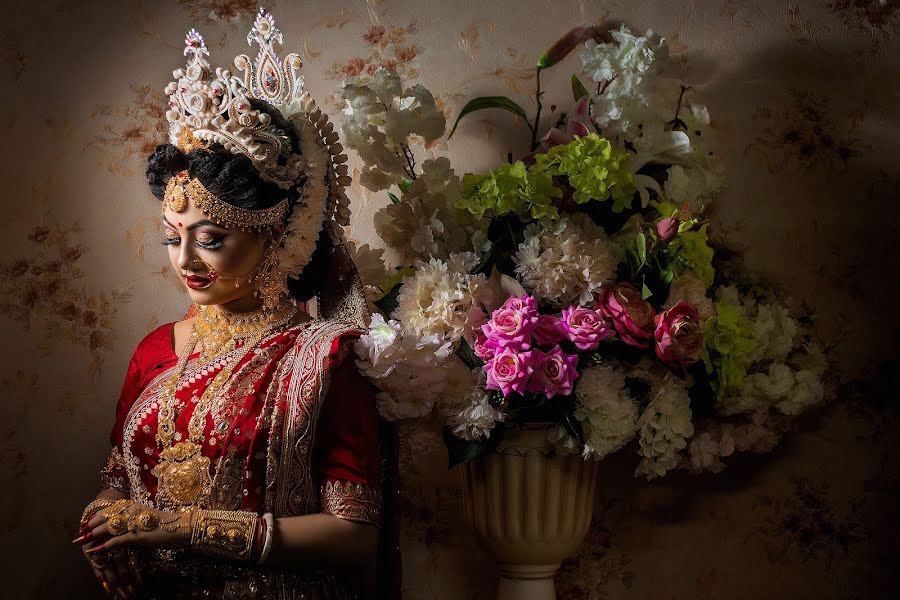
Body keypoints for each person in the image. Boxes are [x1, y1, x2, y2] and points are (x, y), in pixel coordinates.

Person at [74, 9, 399, 599]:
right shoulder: (154, 349)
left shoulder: (324, 358)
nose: (185, 261)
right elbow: (118, 481)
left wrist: (186, 528)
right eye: (174, 237)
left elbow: (355, 535)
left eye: (211, 238)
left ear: (277, 234)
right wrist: (105, 526)